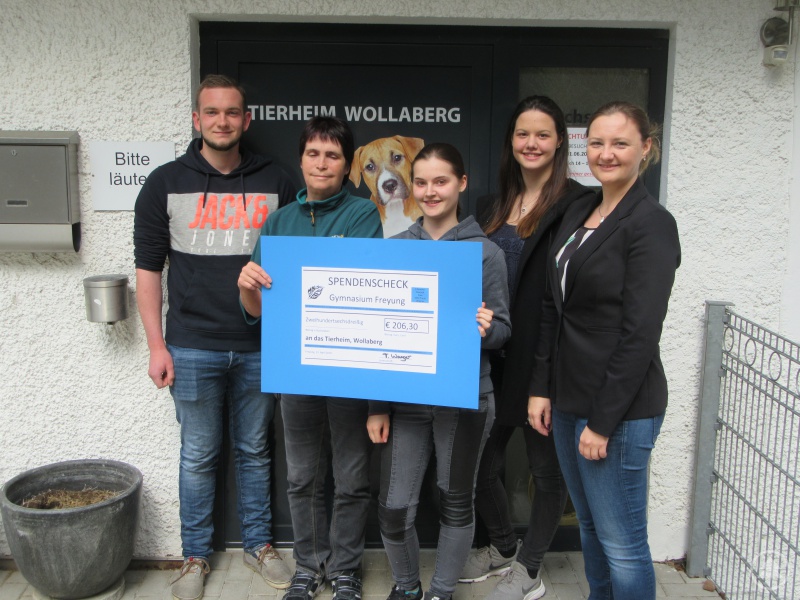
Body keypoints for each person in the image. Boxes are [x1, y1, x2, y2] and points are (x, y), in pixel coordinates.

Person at [133, 74, 296, 600]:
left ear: (246, 120)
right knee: (198, 455)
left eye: (231, 112)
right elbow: (148, 270)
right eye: (211, 112)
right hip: (191, 344)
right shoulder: (163, 183)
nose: (221, 121)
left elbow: (296, 262)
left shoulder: (277, 179)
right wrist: (156, 346)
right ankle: (195, 556)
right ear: (196, 119)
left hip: (260, 345)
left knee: (255, 450)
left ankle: (259, 545)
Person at [528, 102, 680, 600]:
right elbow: (552, 306)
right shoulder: (580, 209)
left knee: (623, 543)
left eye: (620, 143)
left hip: (618, 410)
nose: (606, 153)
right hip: (567, 401)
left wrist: (602, 422)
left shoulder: (651, 223)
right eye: (596, 142)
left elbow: (640, 334)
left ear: (646, 148)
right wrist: (541, 387)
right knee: (591, 528)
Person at [238, 116, 383, 600]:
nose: (322, 163)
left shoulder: (363, 214)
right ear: (300, 160)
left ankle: (345, 569)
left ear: (347, 165)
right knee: (301, 477)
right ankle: (308, 566)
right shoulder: (278, 222)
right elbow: (257, 312)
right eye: (314, 154)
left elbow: (356, 289)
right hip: (295, 369)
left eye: (333, 155)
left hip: (348, 370)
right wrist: (248, 287)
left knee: (352, 478)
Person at [460, 96, 594, 600]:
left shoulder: (578, 204)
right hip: (491, 357)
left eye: (542, 134)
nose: (531, 143)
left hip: (542, 361)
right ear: (511, 141)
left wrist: (549, 373)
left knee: (545, 470)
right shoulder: (490, 206)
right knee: (479, 466)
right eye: (522, 134)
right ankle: (502, 546)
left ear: (560, 142)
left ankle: (530, 568)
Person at [367, 143, 511, 600]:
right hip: (406, 401)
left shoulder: (485, 253)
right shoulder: (395, 249)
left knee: (455, 502)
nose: (430, 191)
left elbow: (503, 332)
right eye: (422, 182)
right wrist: (376, 406)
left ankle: (441, 592)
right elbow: (378, 336)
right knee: (393, 509)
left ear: (461, 184)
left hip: (466, 397)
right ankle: (407, 587)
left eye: (441, 181)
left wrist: (486, 329)